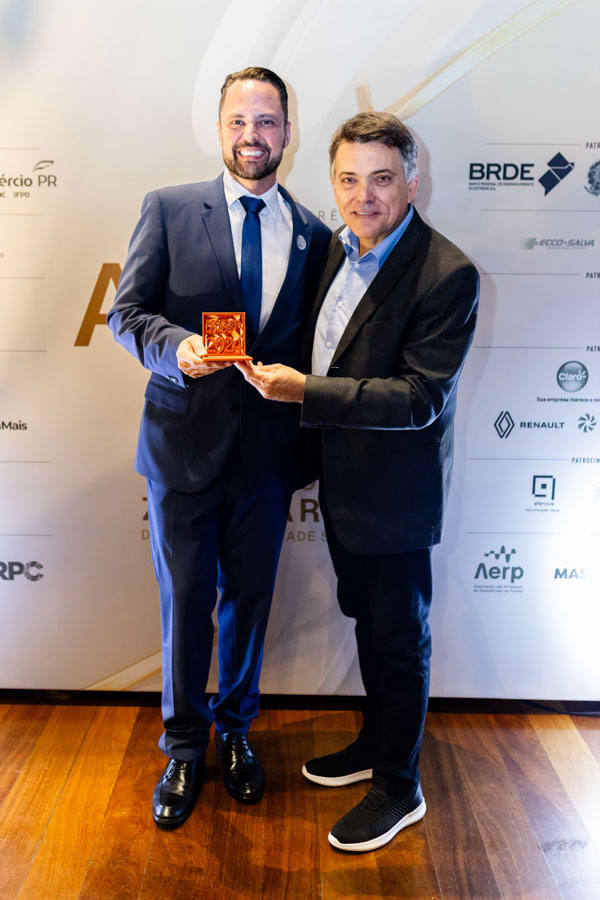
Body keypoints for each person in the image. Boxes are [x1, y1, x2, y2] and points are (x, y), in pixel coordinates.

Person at [237, 111, 479, 852]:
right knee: (369, 623)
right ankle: (377, 744)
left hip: (396, 496)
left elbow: (417, 397)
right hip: (342, 488)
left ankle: (400, 788)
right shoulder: (335, 250)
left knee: (399, 638)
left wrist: (303, 391)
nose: (363, 196)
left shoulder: (447, 273)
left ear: (412, 181)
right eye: (348, 179)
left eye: (381, 179)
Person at [107, 67, 331, 827]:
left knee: (249, 602)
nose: (252, 135)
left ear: (287, 132)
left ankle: (235, 732)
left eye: (266, 121)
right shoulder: (169, 209)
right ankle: (182, 746)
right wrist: (177, 349)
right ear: (219, 128)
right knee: (185, 602)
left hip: (266, 455)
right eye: (239, 120)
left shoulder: (314, 235)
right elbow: (127, 313)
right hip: (182, 449)